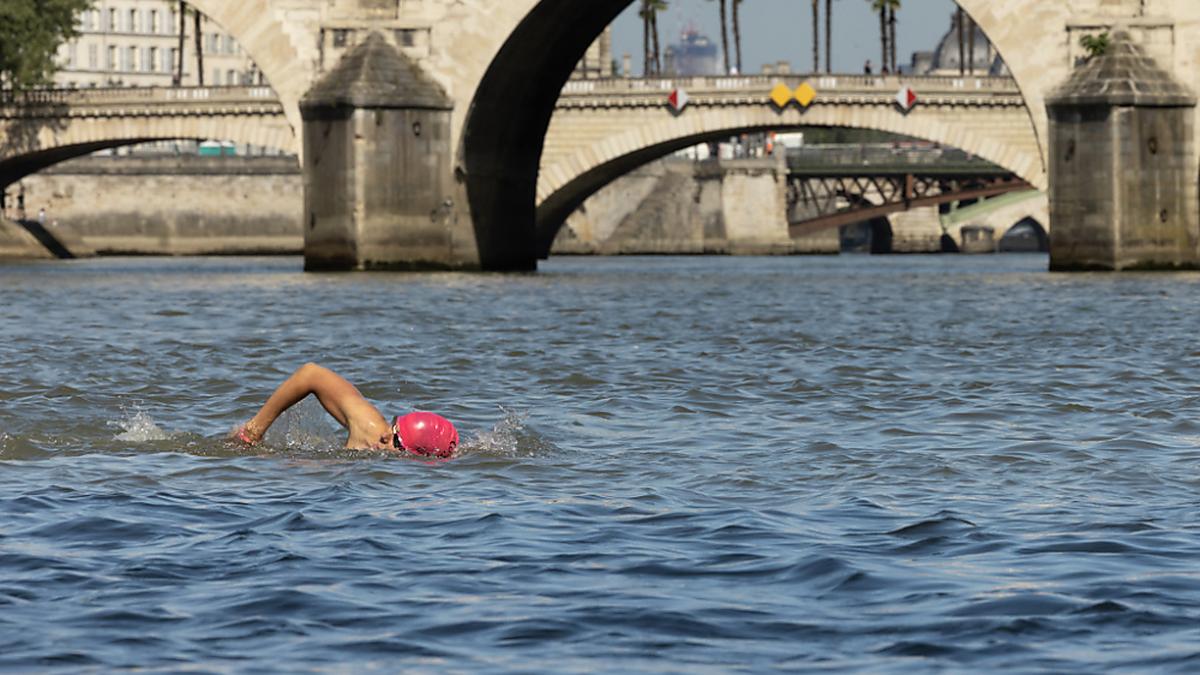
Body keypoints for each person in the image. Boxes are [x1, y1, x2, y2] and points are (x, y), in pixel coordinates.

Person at [233, 362, 459, 457]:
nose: (386, 435)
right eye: (393, 426)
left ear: (412, 456)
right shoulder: (371, 427)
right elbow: (310, 373)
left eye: (396, 440)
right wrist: (254, 430)